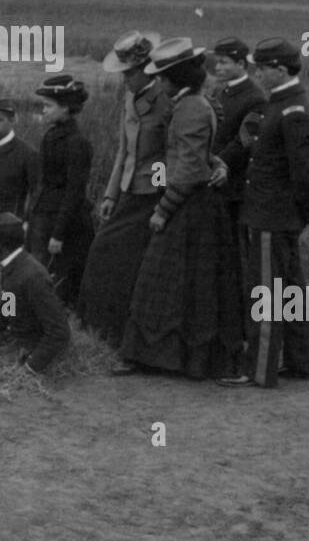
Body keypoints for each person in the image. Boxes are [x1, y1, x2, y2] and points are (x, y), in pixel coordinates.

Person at [117, 38, 239, 380]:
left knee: (161, 282)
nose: (162, 84)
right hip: (198, 205)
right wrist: (219, 162)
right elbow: (200, 155)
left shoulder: (189, 109)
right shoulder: (196, 104)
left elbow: (187, 166)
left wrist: (163, 209)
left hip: (189, 206)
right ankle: (183, 359)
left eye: (165, 78)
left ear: (177, 79)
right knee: (191, 287)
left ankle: (159, 358)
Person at [229, 38, 309, 388]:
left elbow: (303, 171)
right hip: (274, 212)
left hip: (273, 214)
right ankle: (302, 362)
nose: (257, 73)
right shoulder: (283, 103)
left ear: (280, 70)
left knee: (267, 293)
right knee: (290, 291)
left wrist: (307, 207)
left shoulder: (292, 110)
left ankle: (260, 370)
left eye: (262, 68)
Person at [77, 30, 171, 346]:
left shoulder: (166, 99)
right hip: (130, 191)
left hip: (153, 195)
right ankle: (99, 329)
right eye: (122, 74)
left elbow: (167, 155)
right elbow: (123, 150)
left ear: (147, 68)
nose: (124, 80)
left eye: (129, 73)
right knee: (104, 251)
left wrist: (159, 193)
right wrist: (110, 194)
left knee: (123, 258)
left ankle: (118, 332)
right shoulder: (130, 98)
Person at [0, 213, 71, 374]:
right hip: (15, 338)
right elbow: (4, 316)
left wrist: (30, 368)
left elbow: (60, 331)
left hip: (27, 348)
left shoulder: (32, 276)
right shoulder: (14, 267)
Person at [208, 36, 267, 322]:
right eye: (216, 62)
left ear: (242, 64)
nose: (217, 67)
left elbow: (245, 139)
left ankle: (242, 317)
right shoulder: (222, 93)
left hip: (235, 185)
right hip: (217, 179)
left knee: (237, 251)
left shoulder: (254, 96)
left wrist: (219, 161)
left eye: (224, 62)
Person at [27, 75, 95, 308]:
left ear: (66, 108)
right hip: (44, 216)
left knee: (60, 280)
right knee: (39, 273)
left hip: (64, 222)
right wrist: (31, 218)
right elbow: (43, 184)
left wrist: (58, 233)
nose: (43, 111)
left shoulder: (77, 143)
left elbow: (74, 191)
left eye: (48, 106)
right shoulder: (51, 136)